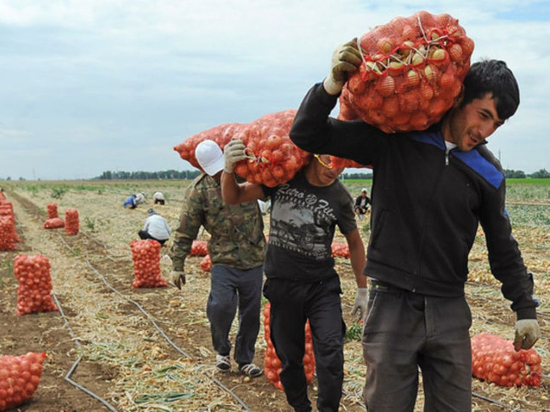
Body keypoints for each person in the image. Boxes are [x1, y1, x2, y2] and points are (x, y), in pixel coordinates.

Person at [289, 39, 540, 411]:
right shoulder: (397, 139)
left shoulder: (488, 173)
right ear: (459, 98)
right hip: (392, 302)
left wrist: (525, 307)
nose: (485, 131)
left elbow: (502, 245)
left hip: (449, 307)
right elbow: (307, 134)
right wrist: (330, 85)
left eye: (496, 124)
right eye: (483, 114)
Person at [221, 139, 367, 412]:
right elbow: (234, 196)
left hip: (322, 287)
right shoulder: (283, 180)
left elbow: (355, 243)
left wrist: (363, 289)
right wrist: (228, 169)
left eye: (340, 165)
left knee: (332, 354)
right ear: (313, 154)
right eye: (328, 160)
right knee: (290, 359)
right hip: (283, 287)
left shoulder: (341, 198)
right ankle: (301, 407)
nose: (333, 170)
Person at [169, 139, 266, 378]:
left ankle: (245, 359)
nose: (219, 173)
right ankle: (222, 350)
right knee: (221, 307)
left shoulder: (245, 176)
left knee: (251, 313)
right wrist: (177, 265)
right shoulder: (198, 191)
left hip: (254, 256)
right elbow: (185, 229)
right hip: (223, 259)